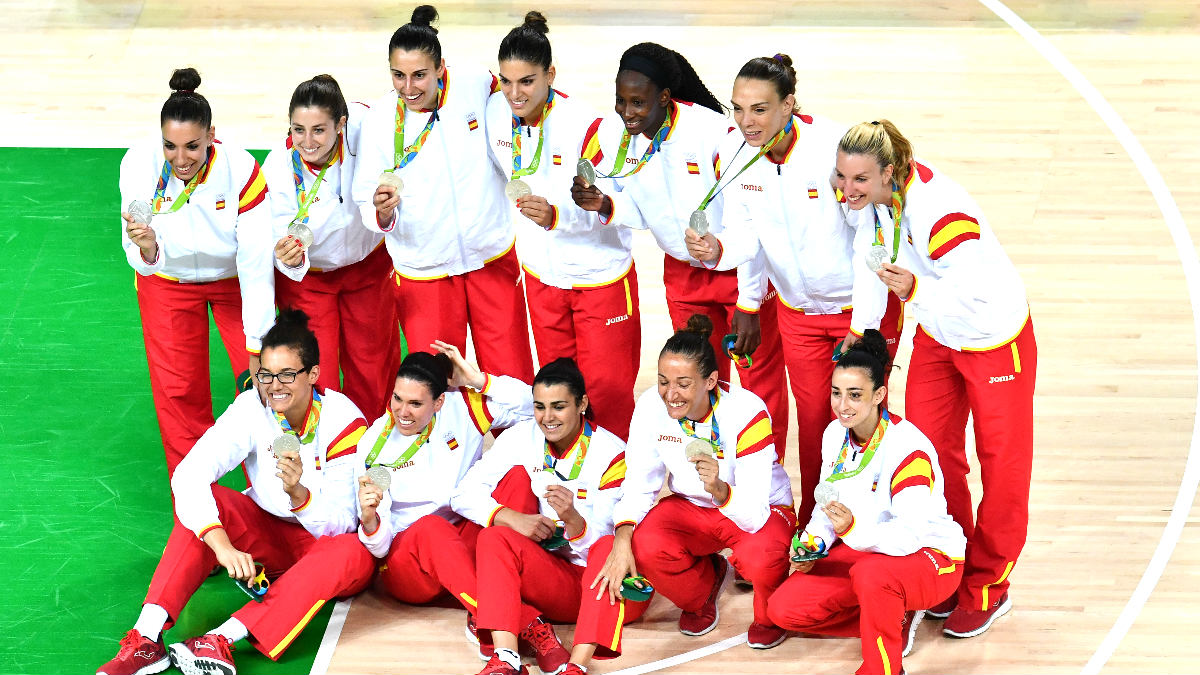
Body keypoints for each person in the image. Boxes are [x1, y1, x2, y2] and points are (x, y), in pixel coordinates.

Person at [834, 119, 1036, 638]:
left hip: (993, 336)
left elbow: (971, 293)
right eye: (841, 177)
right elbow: (869, 261)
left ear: (890, 172)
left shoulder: (943, 214)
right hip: (937, 330)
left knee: (1002, 465)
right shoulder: (873, 203)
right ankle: (955, 564)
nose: (847, 190)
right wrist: (862, 331)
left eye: (858, 180)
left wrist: (916, 286)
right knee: (931, 452)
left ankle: (991, 586)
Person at [684, 54, 902, 522]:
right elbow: (748, 234)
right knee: (816, 423)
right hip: (797, 314)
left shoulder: (831, 150)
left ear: (789, 106)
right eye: (738, 108)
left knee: (864, 418)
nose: (747, 121)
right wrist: (717, 251)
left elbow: (869, 237)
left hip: (857, 311)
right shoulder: (738, 155)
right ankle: (816, 522)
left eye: (760, 109)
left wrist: (864, 325)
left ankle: (878, 521)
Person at [96, 310, 369, 675]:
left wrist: (300, 494)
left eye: (287, 374)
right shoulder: (252, 408)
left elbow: (342, 523)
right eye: (267, 374)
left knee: (352, 550)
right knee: (210, 505)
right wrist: (220, 543)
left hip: (318, 547)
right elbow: (190, 472)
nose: (275, 385)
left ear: (314, 375)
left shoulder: (345, 422)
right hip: (265, 535)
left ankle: (220, 639)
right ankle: (147, 639)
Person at [568, 42, 789, 455]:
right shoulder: (619, 137)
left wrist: (750, 302)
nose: (627, 113)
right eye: (620, 101)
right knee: (699, 380)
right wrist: (605, 203)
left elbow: (751, 219)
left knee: (759, 382)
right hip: (684, 276)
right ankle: (710, 472)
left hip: (739, 272)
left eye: (638, 102)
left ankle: (770, 483)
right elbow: (646, 208)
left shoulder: (713, 133)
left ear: (665, 98)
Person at [765, 330, 965, 675]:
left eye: (855, 395)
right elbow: (827, 504)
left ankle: (882, 667)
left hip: (930, 556)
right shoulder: (834, 435)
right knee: (783, 610)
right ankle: (890, 614)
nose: (843, 406)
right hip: (866, 552)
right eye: (836, 393)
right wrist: (814, 543)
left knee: (873, 576)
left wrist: (853, 529)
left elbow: (908, 537)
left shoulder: (908, 449)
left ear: (879, 395)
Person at [353, 4, 534, 384]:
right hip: (425, 270)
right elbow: (363, 195)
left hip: (491, 257)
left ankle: (517, 444)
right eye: (397, 75)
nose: (408, 87)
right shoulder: (380, 120)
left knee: (511, 377)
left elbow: (520, 106)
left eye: (419, 75)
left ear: (441, 68)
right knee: (436, 385)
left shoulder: (475, 84)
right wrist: (382, 213)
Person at [593, 315, 795, 650]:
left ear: (711, 380)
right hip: (692, 507)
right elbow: (640, 481)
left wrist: (720, 490)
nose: (670, 395)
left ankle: (769, 611)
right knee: (645, 545)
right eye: (662, 381)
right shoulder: (649, 406)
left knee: (760, 559)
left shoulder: (747, 412)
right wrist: (622, 536)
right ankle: (704, 588)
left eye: (683, 384)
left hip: (758, 507)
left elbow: (756, 514)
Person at [484, 12, 641, 440]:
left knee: (606, 396)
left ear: (550, 74)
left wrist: (558, 216)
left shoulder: (588, 126)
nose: (515, 94)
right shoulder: (494, 113)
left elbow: (612, 203)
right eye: (506, 81)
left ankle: (617, 492)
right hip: (543, 280)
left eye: (528, 82)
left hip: (599, 279)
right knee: (560, 398)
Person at [119, 67, 274, 476]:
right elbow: (136, 252)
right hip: (168, 283)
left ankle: (272, 502)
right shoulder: (138, 165)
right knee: (179, 395)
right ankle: (196, 513)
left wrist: (257, 346)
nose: (181, 158)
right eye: (170, 146)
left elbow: (257, 262)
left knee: (270, 382)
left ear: (212, 135)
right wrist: (149, 249)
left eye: (193, 146)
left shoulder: (240, 169)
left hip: (234, 281)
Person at [452, 358, 644, 675]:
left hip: (604, 587)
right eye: (540, 407)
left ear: (582, 403)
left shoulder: (613, 453)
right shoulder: (520, 437)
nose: (547, 418)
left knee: (607, 544)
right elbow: (462, 495)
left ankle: (576, 668)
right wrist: (511, 517)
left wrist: (573, 520)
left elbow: (606, 550)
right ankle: (506, 659)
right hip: (554, 579)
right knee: (493, 535)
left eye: (558, 407)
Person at [353, 343, 534, 646]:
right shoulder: (374, 445)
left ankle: (487, 600)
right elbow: (379, 550)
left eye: (415, 403)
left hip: (463, 534)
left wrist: (479, 381)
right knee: (431, 528)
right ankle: (518, 618)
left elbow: (535, 406)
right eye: (397, 398)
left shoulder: (463, 407)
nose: (401, 412)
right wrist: (369, 521)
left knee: (518, 478)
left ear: (439, 402)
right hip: (411, 563)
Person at [264, 74, 400, 418]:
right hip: (311, 280)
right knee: (315, 369)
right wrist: (289, 259)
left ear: (341, 123)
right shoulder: (278, 169)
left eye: (318, 130)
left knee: (373, 366)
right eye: (298, 130)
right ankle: (323, 451)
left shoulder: (364, 126)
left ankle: (372, 445)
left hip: (369, 268)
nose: (307, 142)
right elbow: (278, 242)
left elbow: (398, 108)